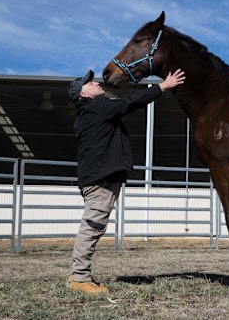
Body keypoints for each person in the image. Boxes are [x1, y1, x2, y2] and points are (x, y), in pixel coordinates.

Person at [66, 68, 185, 294]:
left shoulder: (90, 111)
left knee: (93, 226)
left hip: (98, 178)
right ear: (83, 94)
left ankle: (77, 272)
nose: (96, 83)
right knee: (92, 227)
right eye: (89, 83)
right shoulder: (94, 107)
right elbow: (130, 103)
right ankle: (79, 278)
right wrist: (163, 86)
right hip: (100, 180)